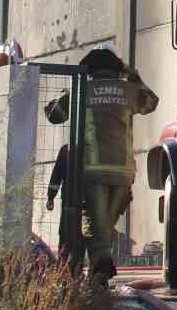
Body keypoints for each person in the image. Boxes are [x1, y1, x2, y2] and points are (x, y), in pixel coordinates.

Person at [43, 47, 159, 283]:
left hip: (92, 171)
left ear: (88, 69)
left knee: (94, 223)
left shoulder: (81, 90)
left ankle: (102, 267)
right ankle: (100, 274)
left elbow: (54, 115)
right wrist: (136, 78)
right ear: (117, 68)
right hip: (123, 173)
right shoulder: (129, 91)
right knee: (103, 223)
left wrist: (61, 96)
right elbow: (151, 104)